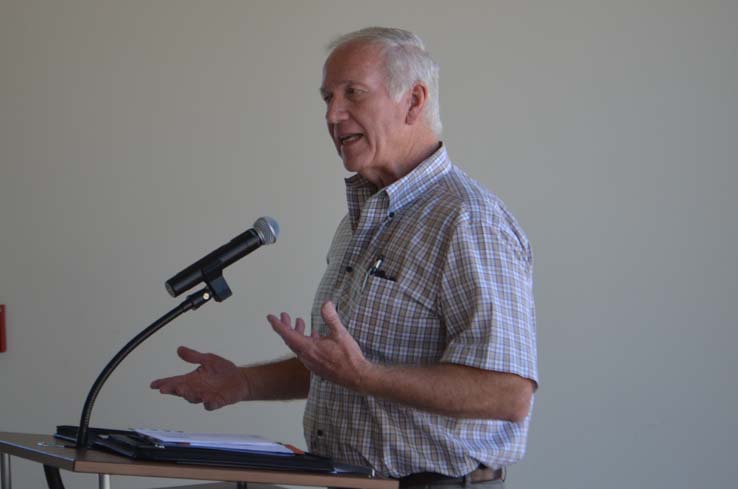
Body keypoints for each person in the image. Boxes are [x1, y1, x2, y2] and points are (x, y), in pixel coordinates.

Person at [151, 27, 538, 488]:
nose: (334, 115)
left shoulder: (467, 222)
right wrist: (245, 384)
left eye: (353, 93)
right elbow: (348, 369)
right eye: (327, 98)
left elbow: (507, 393)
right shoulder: (365, 217)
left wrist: (367, 376)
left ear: (414, 101)